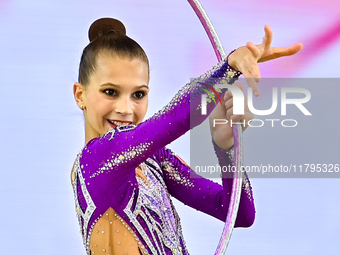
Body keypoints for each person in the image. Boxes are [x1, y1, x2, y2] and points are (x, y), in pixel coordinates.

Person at [71, 18, 302, 255]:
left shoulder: (154, 161)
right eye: (110, 92)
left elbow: (238, 212)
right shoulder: (95, 158)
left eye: (138, 94)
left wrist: (226, 148)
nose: (126, 109)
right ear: (80, 95)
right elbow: (175, 119)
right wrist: (230, 66)